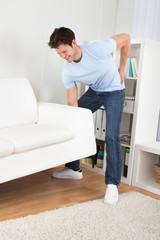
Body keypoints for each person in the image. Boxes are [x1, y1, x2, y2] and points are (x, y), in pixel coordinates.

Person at [48, 27, 130, 205]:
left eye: (64, 51)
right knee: (72, 123)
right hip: (95, 91)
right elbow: (73, 104)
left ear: (74, 43)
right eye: (59, 53)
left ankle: (112, 185)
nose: (63, 56)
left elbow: (126, 38)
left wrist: (122, 67)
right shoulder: (68, 71)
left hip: (114, 90)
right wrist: (79, 124)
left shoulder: (99, 48)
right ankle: (74, 169)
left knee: (111, 136)